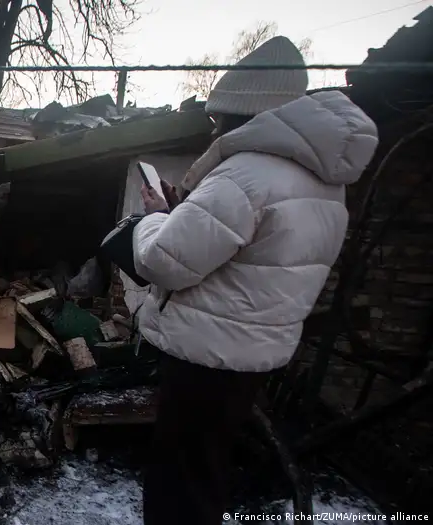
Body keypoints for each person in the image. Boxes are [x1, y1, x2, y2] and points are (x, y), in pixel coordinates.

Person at [133, 36, 380, 525]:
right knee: (206, 472)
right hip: (251, 356)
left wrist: (155, 218)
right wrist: (185, 213)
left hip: (206, 356)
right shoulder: (325, 182)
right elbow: (254, 254)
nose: (214, 129)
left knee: (177, 486)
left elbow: (163, 262)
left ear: (241, 114)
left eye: (217, 119)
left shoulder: (245, 174)